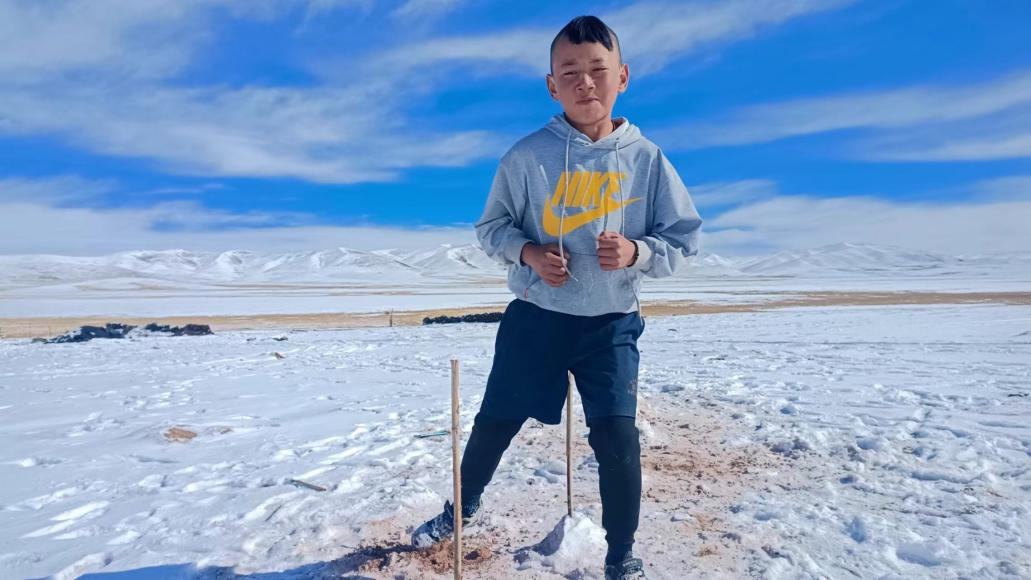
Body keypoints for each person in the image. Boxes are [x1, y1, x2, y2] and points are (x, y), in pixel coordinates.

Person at [411, 14, 702, 580]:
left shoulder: (647, 160)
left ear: (623, 77)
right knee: (495, 421)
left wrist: (637, 252)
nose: (584, 82)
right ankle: (461, 509)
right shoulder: (526, 157)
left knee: (618, 437)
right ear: (551, 84)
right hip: (537, 318)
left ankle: (621, 555)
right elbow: (491, 227)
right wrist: (528, 254)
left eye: (597, 70)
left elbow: (682, 239)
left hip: (611, 323)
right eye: (569, 72)